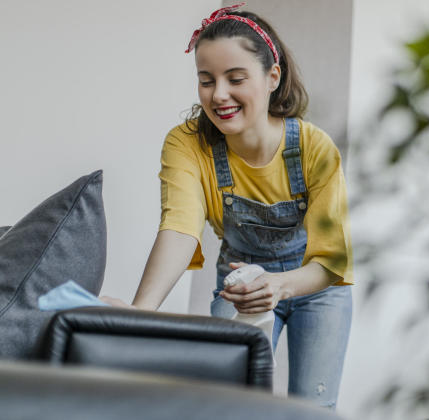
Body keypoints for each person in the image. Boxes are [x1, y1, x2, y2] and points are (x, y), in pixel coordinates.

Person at [100, 3, 353, 410]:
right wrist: (139, 314)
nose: (218, 95)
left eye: (235, 78)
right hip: (239, 284)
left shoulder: (313, 148)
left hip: (315, 287)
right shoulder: (187, 144)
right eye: (206, 80)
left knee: (314, 409)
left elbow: (331, 261)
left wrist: (279, 284)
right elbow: (179, 229)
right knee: (229, 403)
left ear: (272, 78)